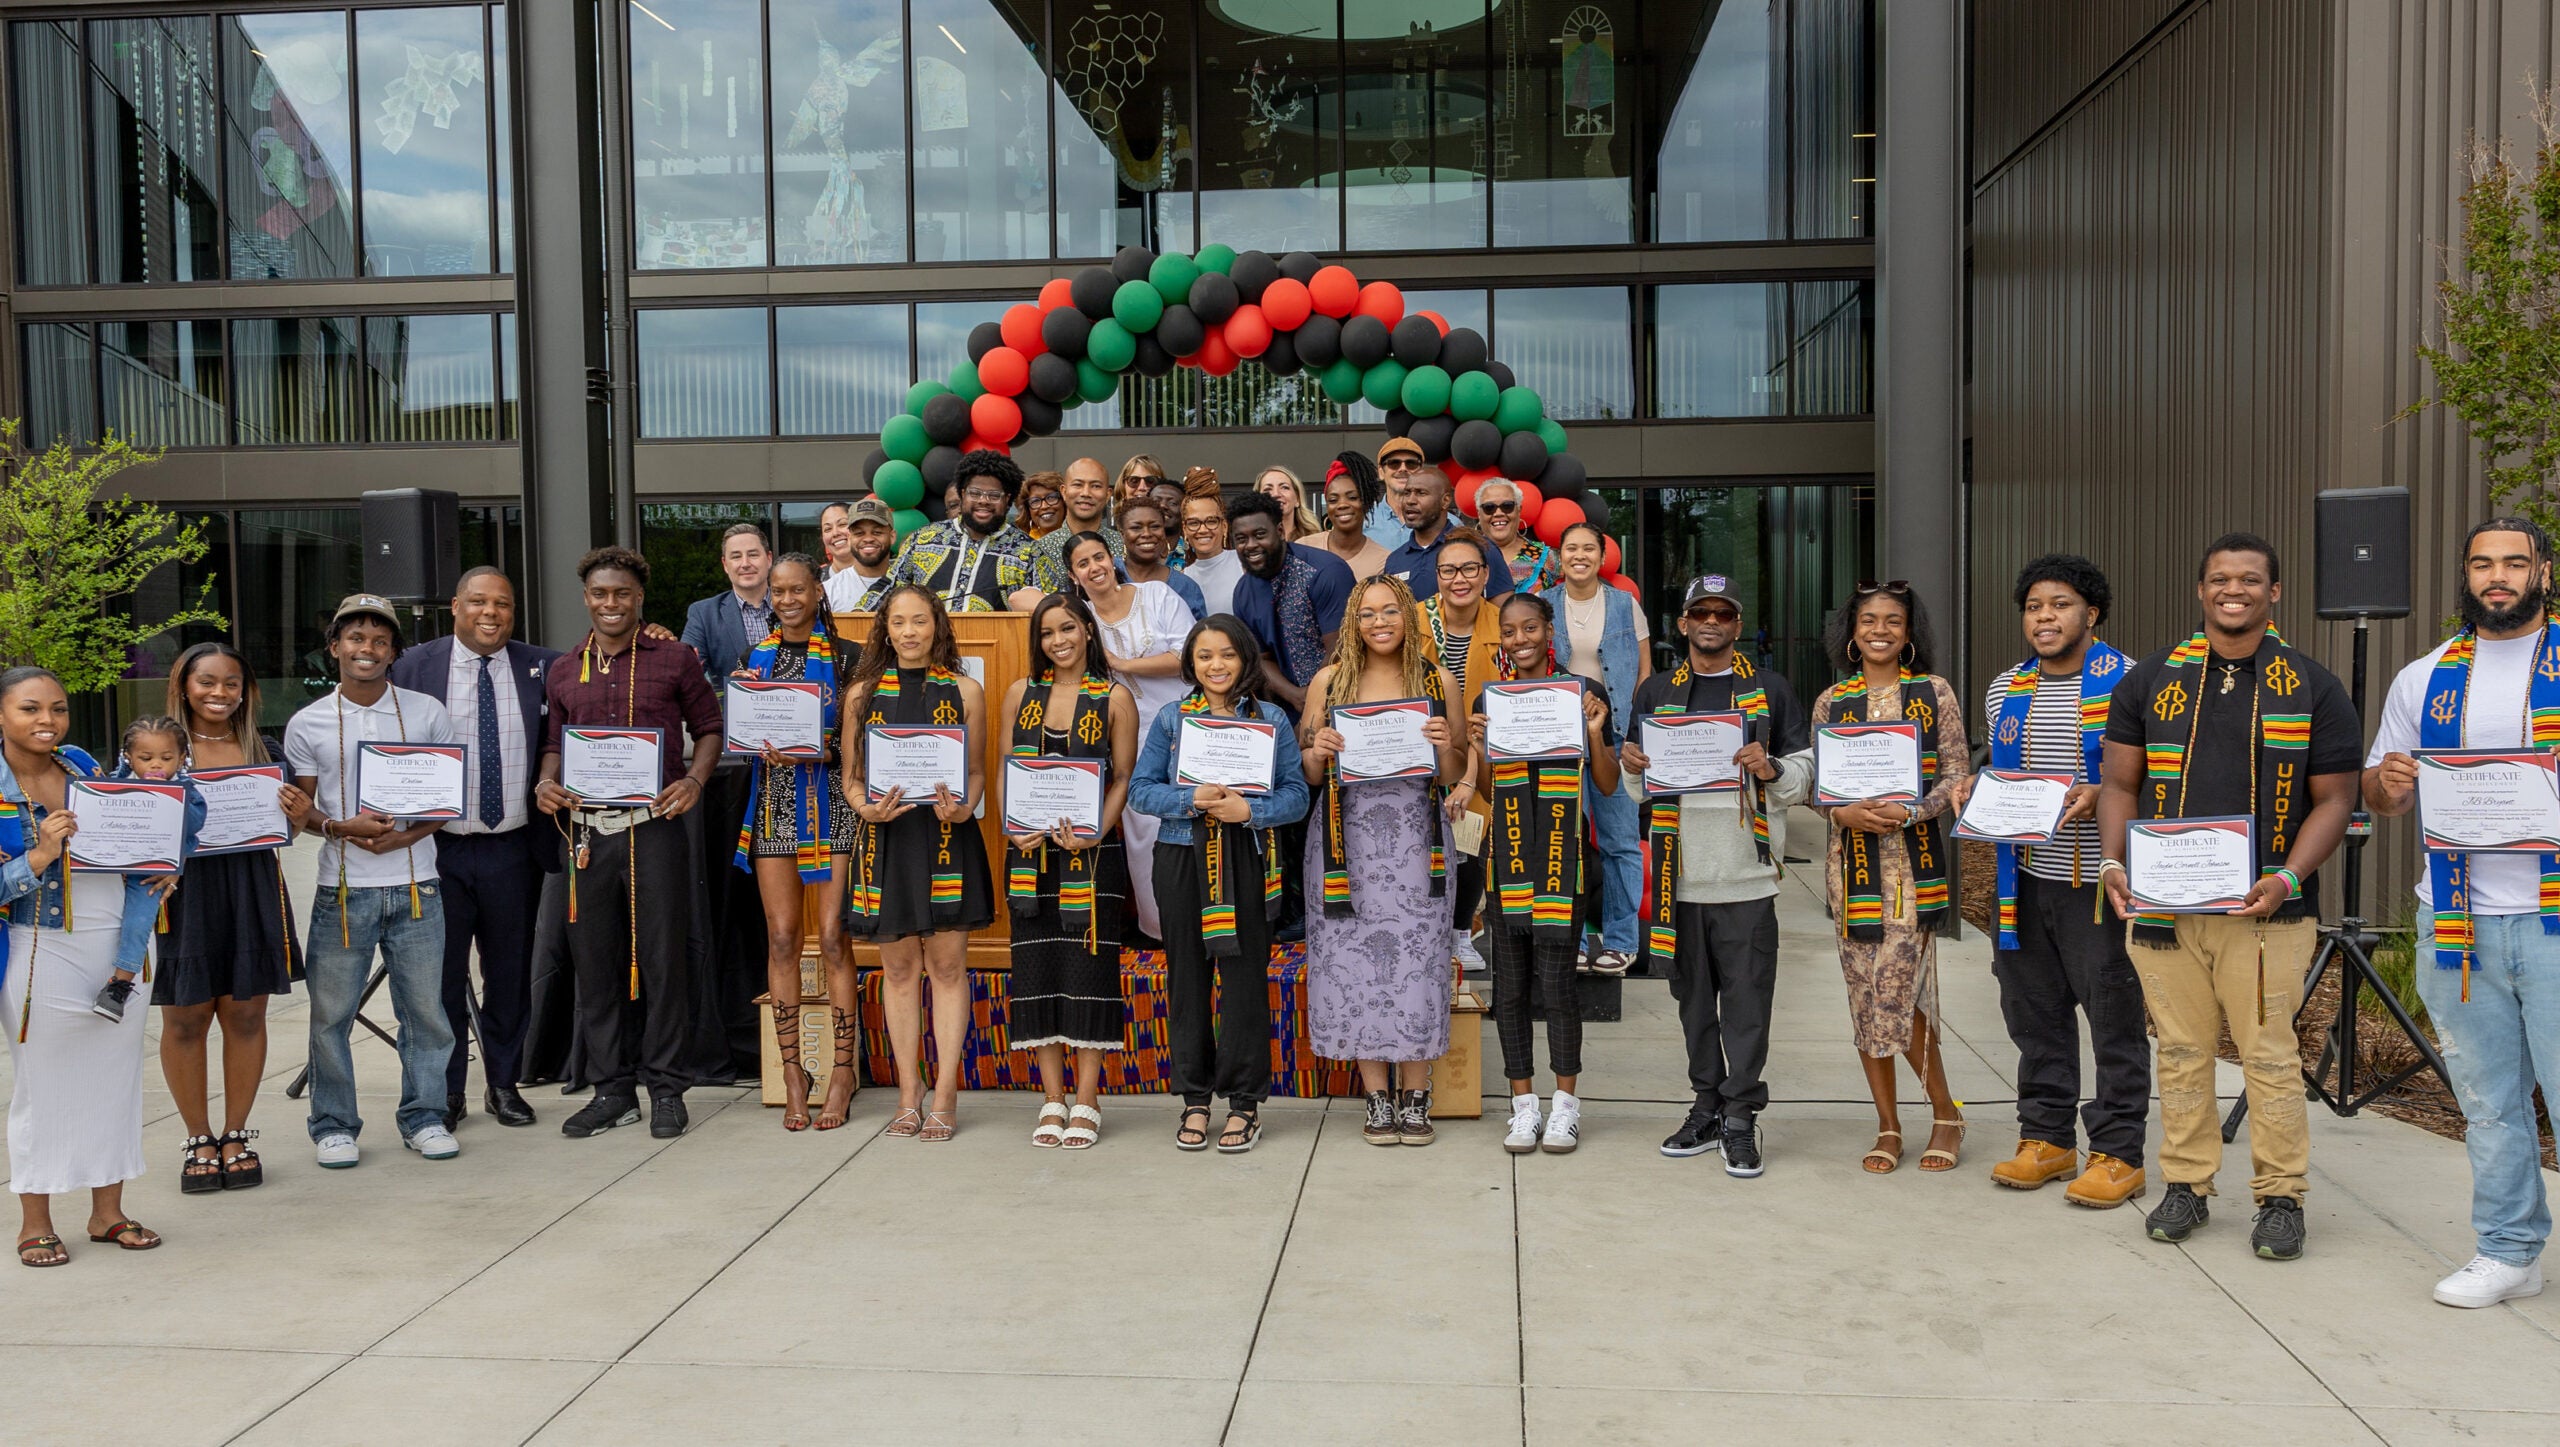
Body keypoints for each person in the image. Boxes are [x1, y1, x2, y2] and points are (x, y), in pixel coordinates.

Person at [2097, 533, 2358, 1261]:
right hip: (2164, 908)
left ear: (2274, 593)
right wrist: (2115, 864)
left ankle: (2281, 1197)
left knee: (2269, 1054)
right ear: (2201, 590)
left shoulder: (2312, 686)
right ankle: (2187, 1183)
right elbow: (2119, 784)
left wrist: (2286, 878)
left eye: (2249, 579)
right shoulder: (2150, 681)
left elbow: (2337, 799)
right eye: (2219, 579)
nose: (2232, 590)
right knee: (2179, 1051)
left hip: (2265, 910)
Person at [2366, 517, 2560, 1306]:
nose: (2498, 576)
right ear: (2467, 574)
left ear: (2543, 572)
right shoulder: (2426, 674)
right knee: (2487, 1100)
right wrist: (2393, 784)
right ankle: (2509, 1248)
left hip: (2554, 919)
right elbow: (2378, 790)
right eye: (2483, 563)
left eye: (2515, 562)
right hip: (2457, 918)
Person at [1967, 556, 2148, 1207]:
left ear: (2091, 612)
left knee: (2113, 1015)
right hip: (2026, 878)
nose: (2045, 616)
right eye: (2034, 605)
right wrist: (1977, 792)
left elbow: (2150, 777)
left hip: (2099, 880)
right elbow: (2008, 777)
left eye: (2061, 603)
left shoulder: (2129, 681)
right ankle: (2046, 1136)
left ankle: (2119, 1148)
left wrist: (2102, 789)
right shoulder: (2004, 688)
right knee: (2033, 1014)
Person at [5, 668, 199, 1266]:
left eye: (58, 709)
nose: (47, 721)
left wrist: (164, 864)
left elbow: (147, 820)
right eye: (30, 709)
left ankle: (106, 1213)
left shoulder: (84, 765)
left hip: (120, 944)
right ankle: (35, 1221)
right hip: (41, 945)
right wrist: (38, 855)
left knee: (116, 1081)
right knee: (42, 1086)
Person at [1619, 575, 1810, 1176]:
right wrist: (1630, 765)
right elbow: (1634, 786)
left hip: (1744, 877)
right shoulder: (1654, 692)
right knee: (1693, 1003)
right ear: (1682, 624)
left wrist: (1772, 767)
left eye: (1723, 614)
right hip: (1680, 877)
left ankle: (1740, 1116)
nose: (1711, 622)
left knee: (1747, 1005)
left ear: (1737, 624)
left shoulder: (1770, 691)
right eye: (1700, 612)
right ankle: (1706, 1104)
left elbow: (1804, 774)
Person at [538, 547, 725, 1141]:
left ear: (639, 598)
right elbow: (553, 744)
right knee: (596, 963)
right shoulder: (565, 669)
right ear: (586, 598)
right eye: (599, 594)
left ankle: (667, 1085)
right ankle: (612, 1090)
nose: (610, 604)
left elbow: (711, 729)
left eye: (621, 593)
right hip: (588, 835)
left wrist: (695, 780)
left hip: (655, 829)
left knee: (664, 959)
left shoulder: (675, 660)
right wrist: (545, 782)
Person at [282, 594, 460, 1168]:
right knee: (330, 1015)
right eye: (355, 638)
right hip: (342, 889)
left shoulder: (426, 710)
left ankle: (425, 1116)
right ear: (334, 647)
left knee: (426, 1013)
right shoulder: (308, 721)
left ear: (393, 652)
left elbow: (445, 801)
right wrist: (341, 826)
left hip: (417, 884)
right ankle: (333, 1124)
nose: (367, 649)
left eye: (380, 641)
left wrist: (405, 837)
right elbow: (303, 810)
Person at [387, 566, 560, 1133]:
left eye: (503, 604)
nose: (492, 613)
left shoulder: (545, 665)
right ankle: (446, 1092)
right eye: (479, 602)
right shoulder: (412, 667)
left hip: (514, 847)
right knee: (437, 980)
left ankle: (504, 1085)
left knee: (509, 975)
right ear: (456, 606)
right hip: (435, 849)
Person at [1128, 617, 1309, 1153]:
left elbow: (1297, 797)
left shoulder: (1271, 719)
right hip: (1181, 858)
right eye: (1204, 656)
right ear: (1191, 662)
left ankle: (1244, 1105)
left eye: (1227, 654)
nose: (1216, 666)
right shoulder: (1171, 720)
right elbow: (1140, 790)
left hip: (1248, 859)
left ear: (1245, 659)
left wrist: (1248, 809)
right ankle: (1194, 1100)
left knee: (1243, 980)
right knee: (1187, 978)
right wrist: (1191, 800)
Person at [1810, 582, 1971, 1177]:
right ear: (1851, 633)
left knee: (1898, 990)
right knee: (1863, 995)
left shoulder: (1934, 693)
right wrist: (1839, 811)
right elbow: (1822, 788)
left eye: (1893, 621)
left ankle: (1945, 1113)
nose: (1880, 629)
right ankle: (1888, 1123)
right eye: (1869, 620)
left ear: (1909, 632)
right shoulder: (1832, 702)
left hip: (1912, 862)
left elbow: (1956, 771)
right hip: (1851, 869)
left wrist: (1912, 811)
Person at [1299, 575, 1466, 1145]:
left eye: (1389, 611)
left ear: (1408, 616)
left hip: (1419, 837)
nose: (1379, 622)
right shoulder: (1329, 680)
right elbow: (1308, 776)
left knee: (1418, 957)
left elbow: (1454, 773)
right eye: (1367, 613)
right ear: (1352, 620)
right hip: (1345, 839)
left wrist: (1445, 742)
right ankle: (1376, 1098)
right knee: (1351, 959)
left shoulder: (1436, 679)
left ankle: (1416, 1096)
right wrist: (1317, 751)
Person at [1468, 593, 1620, 1155]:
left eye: (1530, 627)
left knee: (1557, 987)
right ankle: (1523, 1106)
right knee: (1508, 989)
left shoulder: (1582, 695)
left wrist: (1598, 733)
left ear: (1547, 629)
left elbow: (1605, 785)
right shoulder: (1492, 699)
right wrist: (1481, 749)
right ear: (1501, 639)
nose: (1520, 639)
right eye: (1509, 632)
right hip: (1507, 857)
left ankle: (1565, 1107)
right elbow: (1485, 790)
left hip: (1561, 858)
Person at [840, 585, 994, 1141]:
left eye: (920, 621)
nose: (909, 632)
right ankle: (909, 1095)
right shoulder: (861, 693)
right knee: (899, 972)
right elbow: (852, 776)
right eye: (899, 622)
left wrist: (966, 804)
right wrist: (864, 809)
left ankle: (946, 1095)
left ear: (937, 627)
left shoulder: (966, 690)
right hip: (886, 842)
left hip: (946, 837)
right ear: (885, 628)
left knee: (949, 970)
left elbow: (975, 770)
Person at [159, 642, 309, 1190]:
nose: (219, 693)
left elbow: (283, 834)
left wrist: (295, 816)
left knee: (245, 1014)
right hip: (185, 891)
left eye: (231, 683)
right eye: (206, 682)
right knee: (185, 1017)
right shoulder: (158, 748)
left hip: (252, 887)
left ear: (245, 692)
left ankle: (237, 1133)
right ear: (182, 686)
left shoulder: (264, 750)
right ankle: (199, 1138)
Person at [996, 593, 1138, 1149]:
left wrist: (1097, 830)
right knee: (1037, 970)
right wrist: (1011, 826)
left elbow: (1122, 776)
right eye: (1049, 633)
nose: (1059, 641)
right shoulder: (1020, 694)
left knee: (1087, 971)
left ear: (1087, 631)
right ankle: (1052, 1098)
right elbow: (1007, 766)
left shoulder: (1114, 697)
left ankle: (1086, 1098)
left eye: (1069, 629)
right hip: (1029, 853)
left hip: (1092, 854)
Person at [728, 554, 858, 1133]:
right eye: (777, 591)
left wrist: (826, 750)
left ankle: (842, 1072)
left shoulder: (852, 656)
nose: (786, 599)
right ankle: (793, 1072)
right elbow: (740, 727)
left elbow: (867, 735)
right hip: (775, 805)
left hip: (831, 803)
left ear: (817, 591)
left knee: (831, 938)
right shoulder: (752, 661)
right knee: (782, 939)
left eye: (796, 589)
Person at [1067, 530, 1195, 940]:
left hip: (1184, 727)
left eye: (1099, 557)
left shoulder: (1156, 595)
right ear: (1074, 575)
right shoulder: (1080, 619)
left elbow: (1188, 657)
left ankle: (1208, 927)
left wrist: (1120, 662)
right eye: (1083, 563)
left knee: (1193, 822)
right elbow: (1023, 599)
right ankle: (1161, 931)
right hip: (1129, 739)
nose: (1094, 568)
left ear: (1113, 558)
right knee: (1144, 833)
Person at [1545, 521, 1651, 976]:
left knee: (1621, 843)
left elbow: (1645, 674)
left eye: (1589, 547)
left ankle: (1622, 942)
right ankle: (1578, 942)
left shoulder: (1627, 605)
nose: (1580, 555)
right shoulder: (1544, 605)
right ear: (1560, 555)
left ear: (1603, 555)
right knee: (1567, 842)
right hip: (1559, 742)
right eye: (1572, 548)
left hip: (1616, 735)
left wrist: (1636, 735)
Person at [1421, 528, 1502, 972]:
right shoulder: (1413, 620)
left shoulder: (1503, 627)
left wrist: (1470, 777)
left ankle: (1461, 933)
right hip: (1417, 748)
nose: (1459, 579)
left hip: (1478, 751)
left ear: (1485, 573)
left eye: (1469, 568)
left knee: (1470, 830)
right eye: (1449, 570)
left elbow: (1492, 714)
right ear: (1437, 576)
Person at [1227, 491, 1354, 713]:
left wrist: (1313, 702)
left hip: (1343, 699)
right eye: (1241, 539)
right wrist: (1295, 697)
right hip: (1286, 707)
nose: (1251, 545)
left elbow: (1340, 650)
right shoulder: (1243, 591)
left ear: (1280, 532)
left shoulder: (1326, 572)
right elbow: (1259, 659)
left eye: (1259, 534)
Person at [889, 450, 1061, 613]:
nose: (983, 501)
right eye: (975, 493)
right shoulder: (922, 540)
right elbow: (886, 591)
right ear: (962, 494)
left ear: (1007, 499)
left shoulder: (1029, 552)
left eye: (994, 495)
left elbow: (1055, 607)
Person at [1381, 437, 1514, 603]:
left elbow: (1503, 615)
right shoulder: (1395, 560)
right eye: (1407, 493)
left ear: (1445, 501)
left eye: (1421, 493)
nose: (1410, 501)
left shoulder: (1480, 548)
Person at [680, 523, 774, 690]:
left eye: (753, 555)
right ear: (725, 564)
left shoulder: (794, 607)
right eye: (736, 556)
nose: (745, 564)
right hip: (730, 713)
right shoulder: (703, 614)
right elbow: (686, 674)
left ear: (768, 559)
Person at [1035, 456, 1126, 578]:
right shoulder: (1041, 549)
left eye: (1096, 486)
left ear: (1108, 494)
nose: (1086, 493)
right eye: (1078, 485)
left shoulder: (1123, 545)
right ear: (1063, 491)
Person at [1118, 494, 1206, 619]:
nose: (1147, 534)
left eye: (1155, 526)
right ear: (1122, 534)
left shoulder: (1186, 587)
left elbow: (1199, 636)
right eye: (1136, 528)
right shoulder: (1109, 574)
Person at [1313, 453, 1390, 580]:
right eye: (1333, 500)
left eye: (1352, 497)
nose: (1342, 505)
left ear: (1366, 502)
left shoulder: (1384, 561)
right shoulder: (1305, 548)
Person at [1176, 471, 1244, 614]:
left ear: (1224, 526)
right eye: (1194, 523)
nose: (1203, 529)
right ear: (1185, 529)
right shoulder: (1182, 579)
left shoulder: (1244, 564)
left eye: (1211, 521)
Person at [821, 496, 899, 613]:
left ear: (892, 537)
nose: (868, 539)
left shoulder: (909, 582)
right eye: (859, 533)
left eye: (877, 532)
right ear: (850, 537)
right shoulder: (829, 590)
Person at [1476, 478, 1555, 593]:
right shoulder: (1466, 553)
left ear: (1519, 510)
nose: (1498, 513)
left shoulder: (1547, 556)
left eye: (1507, 506)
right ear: (1479, 514)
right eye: (1489, 507)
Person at [1256, 464, 1323, 542]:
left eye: (1284, 487)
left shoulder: (1315, 541)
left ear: (1298, 499)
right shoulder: (1251, 542)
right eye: (1268, 489)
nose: (1276, 494)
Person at [1016, 470, 1068, 539]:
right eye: (1035, 501)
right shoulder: (1020, 544)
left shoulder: (1082, 539)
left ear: (1064, 501)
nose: (1044, 506)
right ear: (1028, 510)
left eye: (1051, 497)